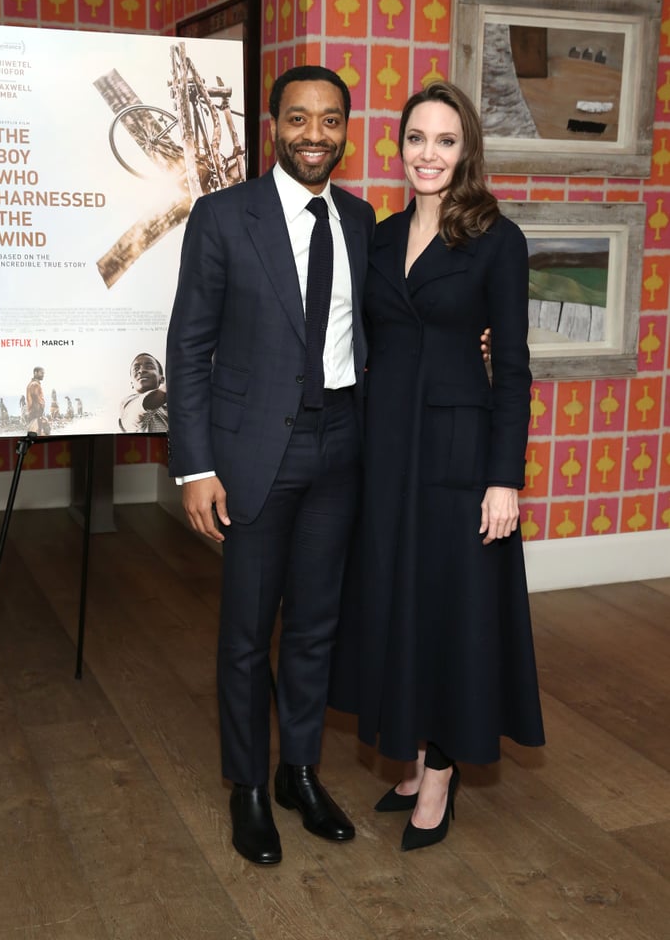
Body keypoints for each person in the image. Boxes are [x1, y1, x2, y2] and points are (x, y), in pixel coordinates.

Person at [166, 66, 376, 865]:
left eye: (330, 120)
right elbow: (188, 349)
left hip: (342, 448)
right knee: (249, 634)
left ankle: (300, 772)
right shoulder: (223, 217)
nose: (314, 134)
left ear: (346, 130)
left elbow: (387, 326)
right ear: (272, 126)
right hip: (255, 455)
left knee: (318, 625)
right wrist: (195, 468)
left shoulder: (361, 219)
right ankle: (248, 787)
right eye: (298, 118)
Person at [330, 81, 545, 852]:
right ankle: (415, 754)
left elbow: (513, 367)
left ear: (467, 151)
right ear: (398, 146)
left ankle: (444, 770)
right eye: (416, 138)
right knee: (397, 601)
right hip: (384, 452)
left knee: (452, 610)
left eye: (445, 141)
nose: (429, 153)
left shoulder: (498, 240)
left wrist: (505, 477)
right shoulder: (378, 237)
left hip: (459, 457)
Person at [118, 352, 168, 433]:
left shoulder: (173, 405)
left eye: (149, 367)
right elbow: (148, 403)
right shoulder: (128, 405)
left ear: (161, 379)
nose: (141, 370)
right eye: (136, 369)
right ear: (132, 383)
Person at [24, 366, 48, 435]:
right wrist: (40, 415)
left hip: (34, 414)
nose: (43, 375)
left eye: (44, 373)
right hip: (36, 415)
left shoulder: (32, 384)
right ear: (35, 373)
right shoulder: (35, 385)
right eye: (41, 373)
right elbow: (36, 400)